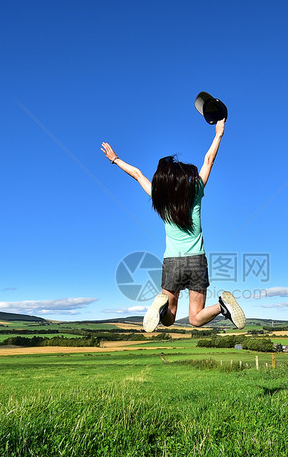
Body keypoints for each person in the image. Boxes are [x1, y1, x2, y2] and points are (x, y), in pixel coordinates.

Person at [101, 118, 245, 332]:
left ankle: (161, 310)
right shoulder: (195, 192)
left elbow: (137, 174)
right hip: (197, 260)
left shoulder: (161, 199)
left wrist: (115, 159)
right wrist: (218, 134)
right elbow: (208, 161)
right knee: (196, 319)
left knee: (169, 318)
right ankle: (222, 306)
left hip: (172, 263)